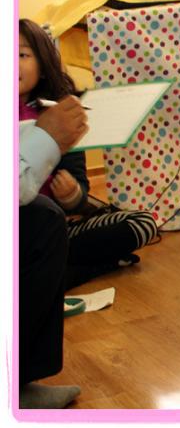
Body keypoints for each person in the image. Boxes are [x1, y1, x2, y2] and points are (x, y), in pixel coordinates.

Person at [19, 19, 158, 290]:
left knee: (141, 223)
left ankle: (46, 274)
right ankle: (90, 268)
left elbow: (81, 197)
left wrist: (72, 196)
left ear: (43, 66)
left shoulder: (63, 117)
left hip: (57, 231)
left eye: (22, 55)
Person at [19, 90, 88, 408]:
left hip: (70, 223)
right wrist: (46, 139)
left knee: (44, 217)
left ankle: (17, 379)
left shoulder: (51, 108)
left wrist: (72, 195)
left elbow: (81, 197)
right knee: (42, 218)